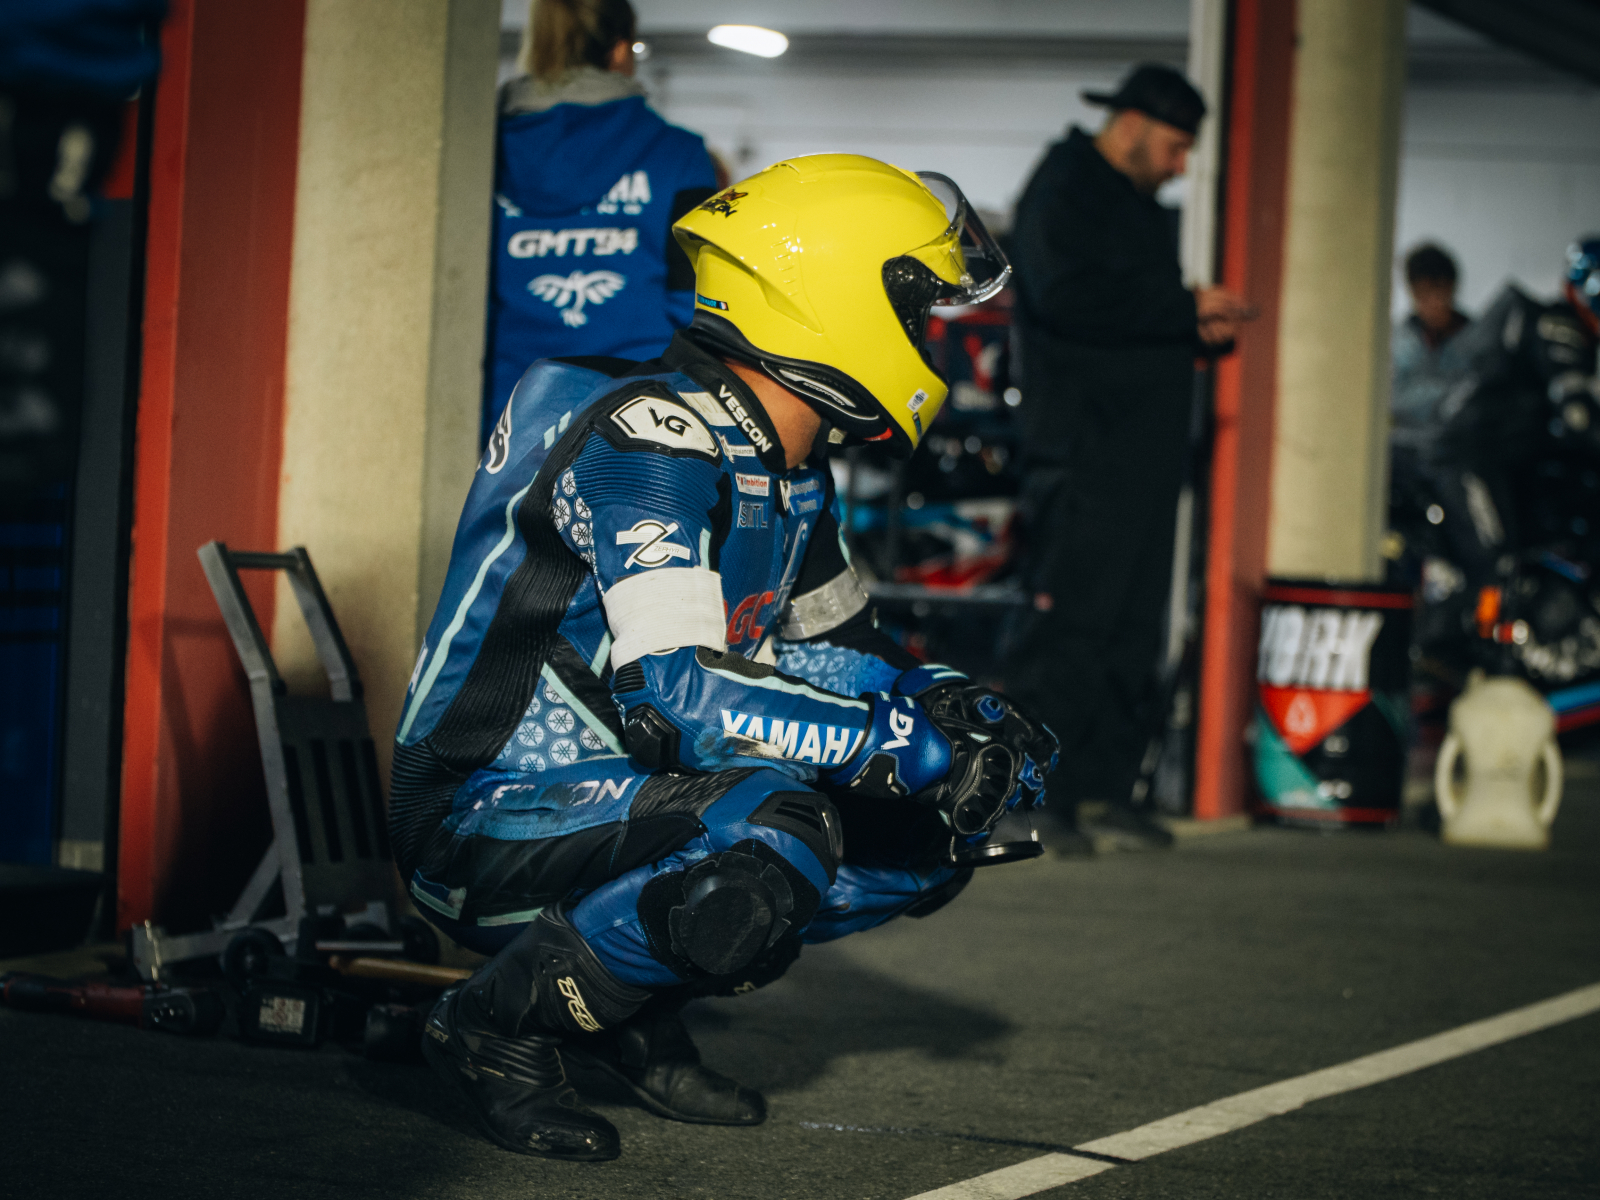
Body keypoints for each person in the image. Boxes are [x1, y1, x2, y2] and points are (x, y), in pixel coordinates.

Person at [393, 155, 1059, 1162]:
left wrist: (955, 709)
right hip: (476, 815)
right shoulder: (647, 438)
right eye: (916, 310)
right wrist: (893, 740)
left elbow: (843, 656)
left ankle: (625, 1007)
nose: (927, 338)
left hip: (625, 797)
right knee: (774, 828)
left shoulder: (789, 469)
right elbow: (677, 697)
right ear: (831, 296)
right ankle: (492, 1027)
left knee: (925, 836)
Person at [1002, 63, 1250, 853]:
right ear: (1134, 124)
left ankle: (1103, 790)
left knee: (1131, 631)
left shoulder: (1137, 207)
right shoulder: (1065, 188)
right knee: (1070, 630)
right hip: (1082, 450)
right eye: (1176, 147)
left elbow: (1130, 316)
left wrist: (1193, 326)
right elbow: (1065, 296)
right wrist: (1180, 307)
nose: (1181, 165)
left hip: (1140, 454)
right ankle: (1032, 799)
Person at [483, 0, 719, 441]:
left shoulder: (485, 152)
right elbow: (694, 301)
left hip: (508, 414)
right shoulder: (680, 156)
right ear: (619, 50)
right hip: (636, 412)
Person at [1391, 243, 1472, 437]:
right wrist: (1451, 394)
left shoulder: (1477, 338)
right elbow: (1392, 397)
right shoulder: (1398, 341)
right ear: (1412, 292)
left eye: (1440, 290)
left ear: (1452, 287)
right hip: (1408, 444)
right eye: (1424, 292)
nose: (1434, 302)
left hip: (1462, 443)